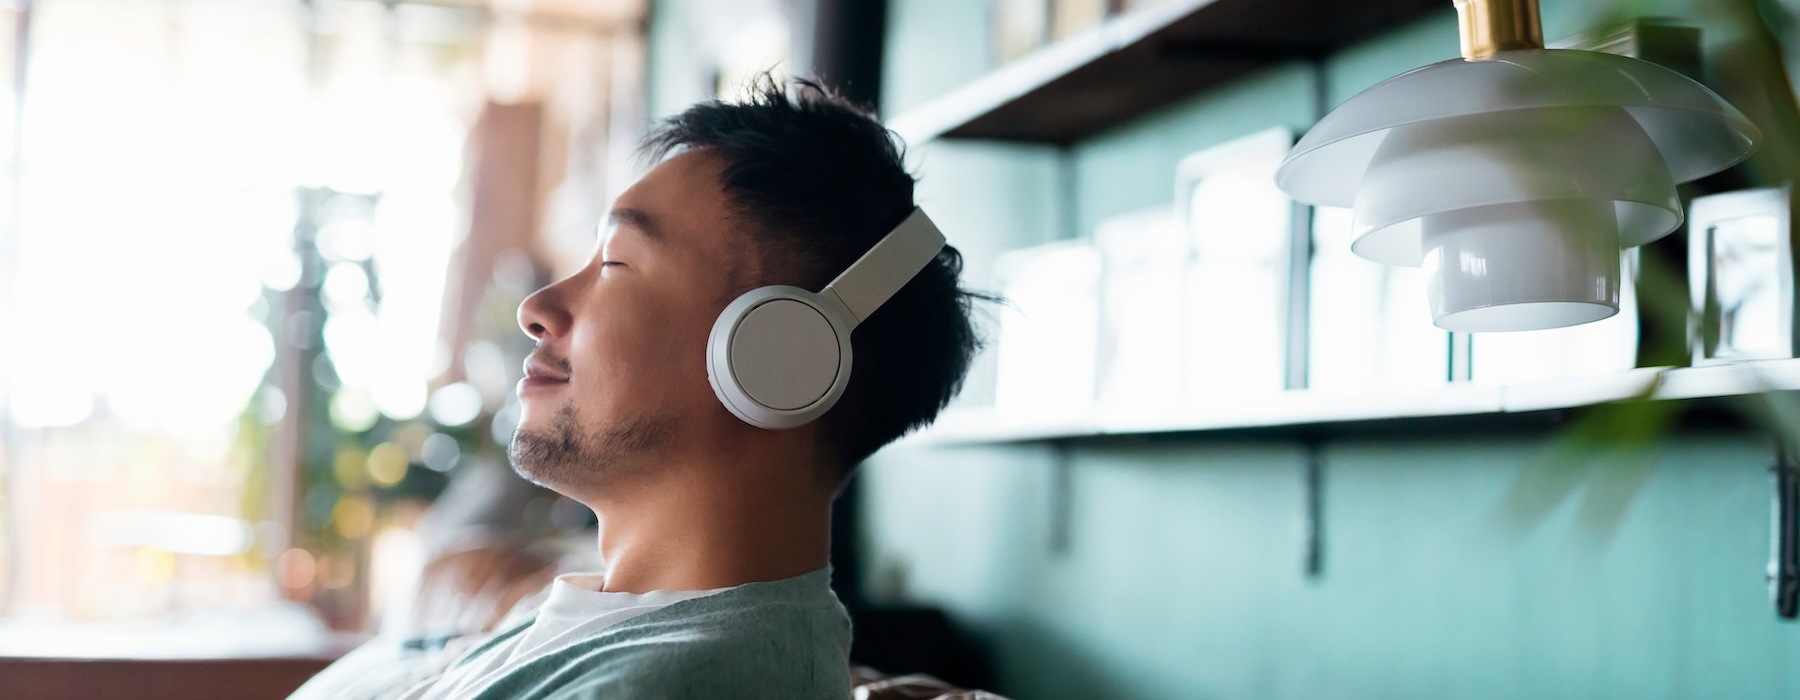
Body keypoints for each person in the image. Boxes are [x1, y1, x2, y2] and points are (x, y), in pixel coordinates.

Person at [288, 74, 985, 699]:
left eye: (617, 263)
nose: (539, 308)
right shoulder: (586, 619)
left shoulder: (673, 682)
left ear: (778, 356)